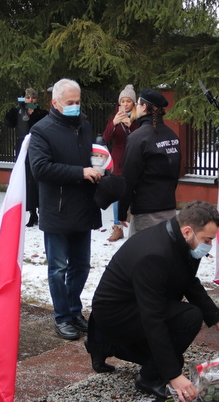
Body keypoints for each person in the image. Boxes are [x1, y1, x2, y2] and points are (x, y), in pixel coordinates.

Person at [88, 201, 219, 400]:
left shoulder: (181, 239)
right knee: (189, 319)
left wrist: (216, 319)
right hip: (116, 313)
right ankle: (147, 378)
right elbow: (153, 318)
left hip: (138, 305)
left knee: (171, 356)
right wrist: (173, 375)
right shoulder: (154, 254)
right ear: (188, 231)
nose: (209, 246)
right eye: (207, 239)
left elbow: (189, 281)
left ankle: (103, 345)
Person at [28, 78, 103, 341]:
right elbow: (40, 169)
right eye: (69, 103)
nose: (75, 106)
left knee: (81, 266)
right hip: (57, 210)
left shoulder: (84, 125)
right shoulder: (41, 130)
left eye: (78, 101)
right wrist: (80, 172)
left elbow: (90, 159)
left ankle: (74, 311)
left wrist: (100, 167)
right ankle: (62, 317)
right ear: (55, 103)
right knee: (58, 268)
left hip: (83, 207)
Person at [117, 88, 181, 237]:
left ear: (144, 107)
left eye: (138, 104)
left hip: (146, 211)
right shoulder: (172, 135)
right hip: (169, 208)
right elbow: (175, 172)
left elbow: (128, 176)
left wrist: (122, 211)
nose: (136, 107)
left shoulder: (138, 137)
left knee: (142, 256)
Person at [4, 88, 48, 227]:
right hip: (23, 151)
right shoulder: (19, 112)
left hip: (38, 151)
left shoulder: (42, 114)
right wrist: (18, 108)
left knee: (38, 181)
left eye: (33, 98)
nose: (30, 100)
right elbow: (8, 123)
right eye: (28, 98)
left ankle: (43, 211)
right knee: (26, 182)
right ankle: (32, 213)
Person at [101, 84, 139, 242]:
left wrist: (131, 126)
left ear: (133, 103)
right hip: (118, 160)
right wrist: (114, 123)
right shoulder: (114, 117)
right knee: (118, 193)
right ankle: (117, 227)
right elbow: (106, 138)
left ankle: (136, 225)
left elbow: (140, 138)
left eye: (128, 101)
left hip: (134, 159)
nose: (124, 104)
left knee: (135, 192)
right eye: (122, 101)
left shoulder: (138, 119)